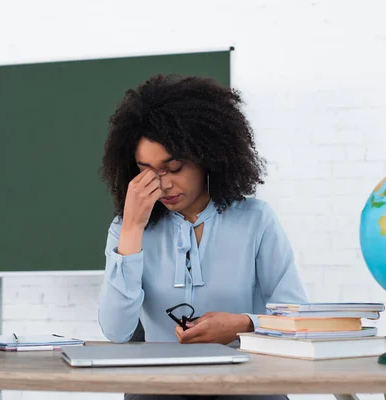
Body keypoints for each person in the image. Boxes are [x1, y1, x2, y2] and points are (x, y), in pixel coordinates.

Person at [97, 74, 307, 400]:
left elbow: (297, 317)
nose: (161, 184)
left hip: (246, 381)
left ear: (207, 156)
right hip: (159, 386)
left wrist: (243, 324)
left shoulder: (256, 220)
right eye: (146, 170)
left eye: (174, 167)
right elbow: (116, 332)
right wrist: (132, 228)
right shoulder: (125, 229)